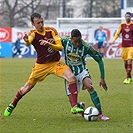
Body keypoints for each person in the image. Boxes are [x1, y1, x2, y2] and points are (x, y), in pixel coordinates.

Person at [4, 13, 84, 116]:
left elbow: (59, 47)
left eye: (42, 22)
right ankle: (12, 105)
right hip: (41, 66)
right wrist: (26, 41)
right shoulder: (33, 33)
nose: (41, 24)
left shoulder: (51, 31)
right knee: (27, 88)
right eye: (38, 23)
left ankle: (74, 106)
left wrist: (50, 44)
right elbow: (29, 42)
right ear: (33, 24)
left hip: (55, 63)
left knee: (71, 77)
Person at [61, 29, 109, 121]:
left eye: (80, 41)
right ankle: (82, 109)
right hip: (69, 73)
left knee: (89, 86)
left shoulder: (86, 46)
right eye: (76, 41)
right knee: (73, 104)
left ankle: (100, 113)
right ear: (71, 39)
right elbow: (53, 40)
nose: (78, 43)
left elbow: (99, 59)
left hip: (81, 71)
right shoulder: (64, 41)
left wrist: (102, 78)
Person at [112, 12, 133, 84]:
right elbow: (118, 33)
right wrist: (114, 39)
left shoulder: (132, 25)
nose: (127, 17)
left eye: (129, 16)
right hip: (124, 46)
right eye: (126, 16)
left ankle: (127, 78)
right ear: (125, 17)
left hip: (131, 46)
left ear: (130, 17)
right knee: (125, 63)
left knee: (129, 60)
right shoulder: (122, 25)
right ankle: (130, 76)